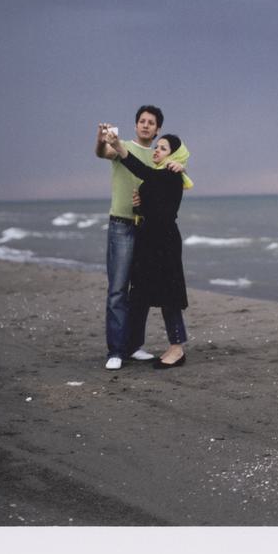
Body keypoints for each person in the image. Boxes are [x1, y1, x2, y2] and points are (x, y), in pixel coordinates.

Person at [95, 105, 183, 371]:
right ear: (136, 126)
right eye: (142, 121)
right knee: (118, 289)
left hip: (147, 230)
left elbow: (170, 178)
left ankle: (133, 346)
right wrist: (101, 141)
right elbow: (104, 153)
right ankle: (116, 350)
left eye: (151, 122)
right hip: (122, 225)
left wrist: (181, 165)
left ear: (157, 130)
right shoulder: (120, 145)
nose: (146, 125)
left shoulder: (160, 156)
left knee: (141, 292)